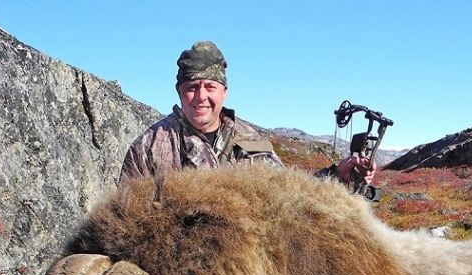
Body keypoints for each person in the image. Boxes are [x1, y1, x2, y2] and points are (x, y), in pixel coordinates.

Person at [119, 41, 375, 188]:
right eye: (191, 88)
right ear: (179, 92)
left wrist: (336, 175)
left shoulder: (251, 139)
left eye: (210, 87)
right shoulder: (149, 147)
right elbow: (125, 218)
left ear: (224, 92)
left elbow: (288, 192)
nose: (200, 97)